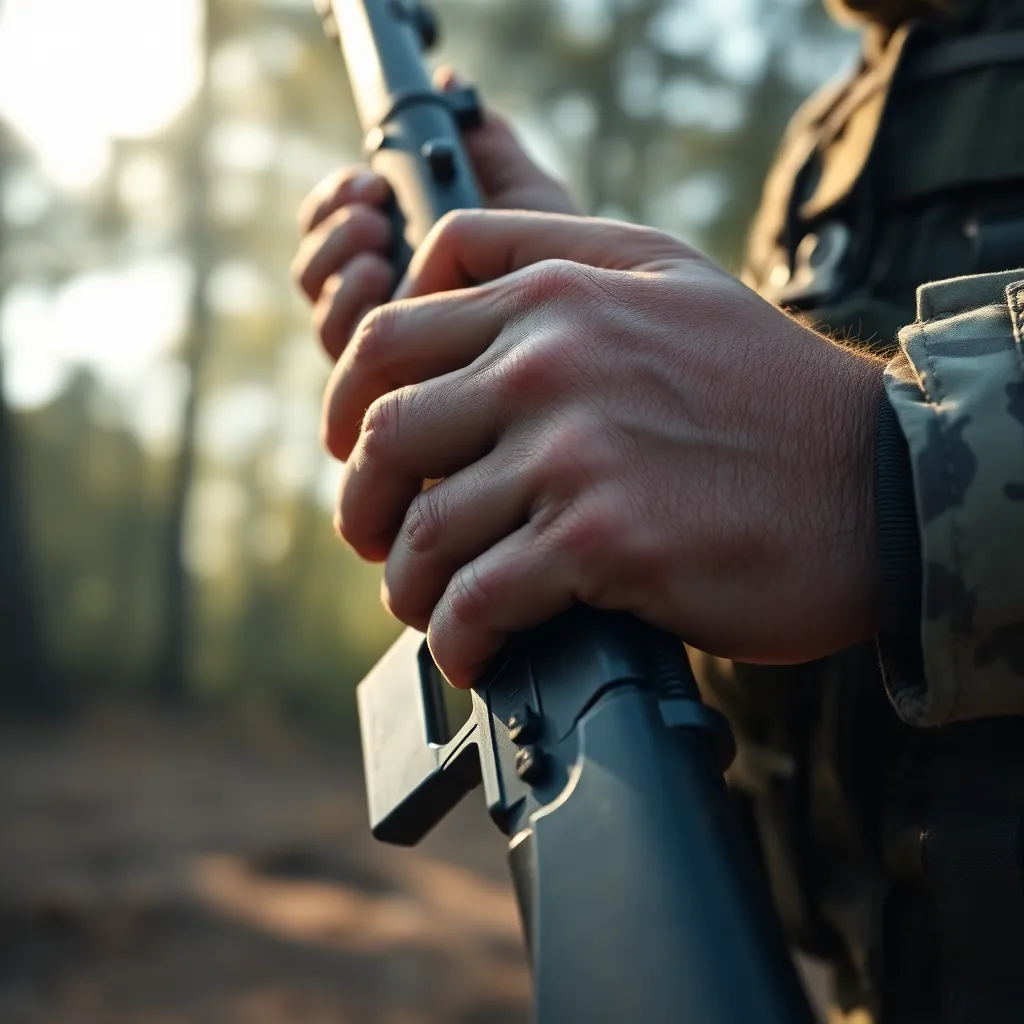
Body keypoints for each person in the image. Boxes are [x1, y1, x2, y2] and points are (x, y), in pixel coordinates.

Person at [292, 0, 1024, 1019]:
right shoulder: (833, 139)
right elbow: (830, 644)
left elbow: (846, 469)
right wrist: (569, 382)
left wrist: (892, 465)